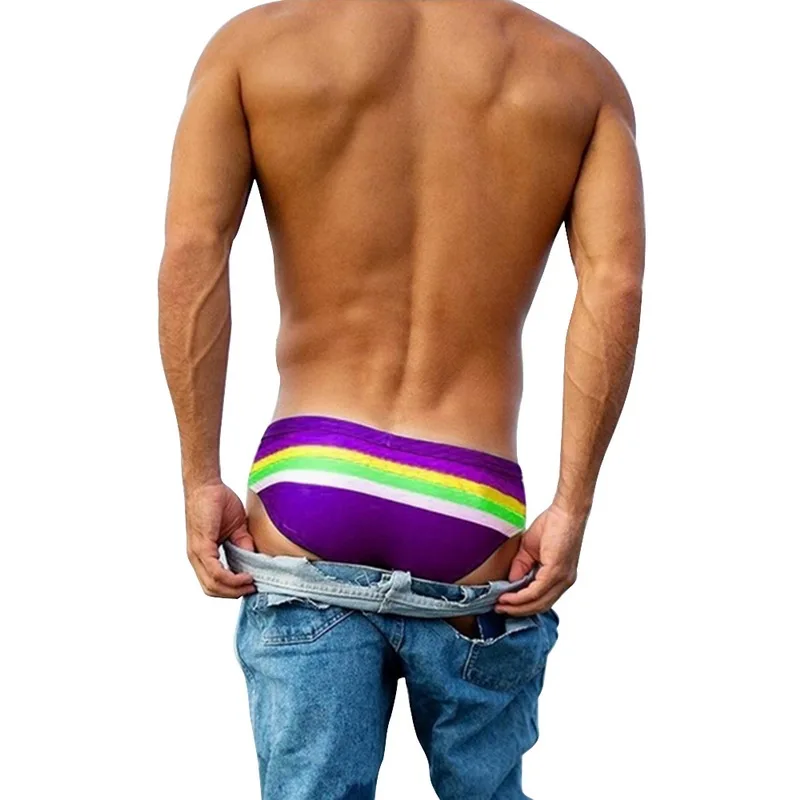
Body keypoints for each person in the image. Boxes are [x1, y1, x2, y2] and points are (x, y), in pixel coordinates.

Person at [158, 1, 645, 797]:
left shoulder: (256, 46)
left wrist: (197, 476)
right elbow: (614, 286)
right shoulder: (577, 76)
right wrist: (573, 504)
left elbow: (192, 253)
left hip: (309, 480)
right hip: (472, 498)